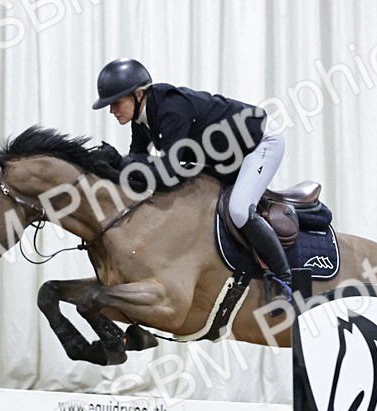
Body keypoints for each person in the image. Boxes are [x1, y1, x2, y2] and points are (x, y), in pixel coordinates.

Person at [92, 57, 290, 282]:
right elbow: (138, 167)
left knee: (239, 210)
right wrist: (109, 168)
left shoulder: (172, 110)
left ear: (138, 95)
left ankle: (285, 277)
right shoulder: (140, 120)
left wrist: (120, 162)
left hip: (261, 143)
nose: (112, 110)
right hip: (227, 157)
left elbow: (169, 173)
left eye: (116, 103)